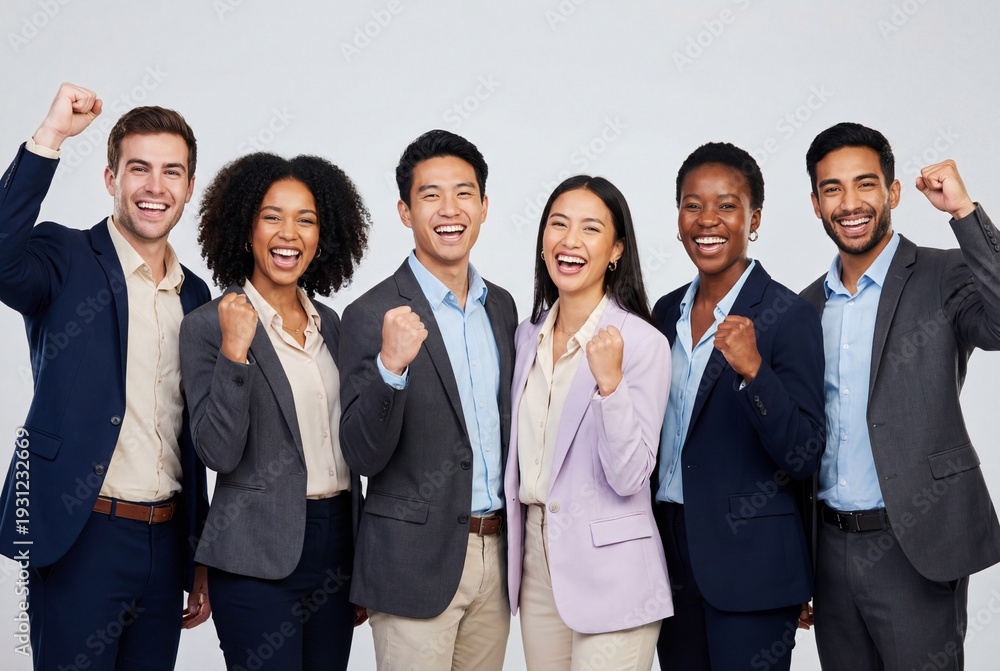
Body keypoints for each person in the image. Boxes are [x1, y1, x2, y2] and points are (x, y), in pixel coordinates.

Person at [0, 83, 212, 671]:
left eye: (172, 172)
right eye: (138, 168)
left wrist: (199, 553)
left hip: (166, 544)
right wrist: (50, 136)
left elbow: (190, 435)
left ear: (189, 187)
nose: (155, 186)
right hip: (80, 535)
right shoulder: (63, 258)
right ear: (110, 178)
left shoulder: (196, 296)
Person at [800, 122, 1000, 671]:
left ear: (892, 192)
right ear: (816, 205)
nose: (850, 203)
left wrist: (964, 213)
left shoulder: (944, 273)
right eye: (832, 189)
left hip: (916, 544)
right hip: (829, 553)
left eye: (865, 184)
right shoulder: (804, 307)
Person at [179, 152, 371, 670]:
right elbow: (218, 452)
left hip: (337, 546)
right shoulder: (208, 325)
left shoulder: (333, 324)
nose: (289, 233)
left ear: (322, 236)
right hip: (254, 557)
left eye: (306, 219)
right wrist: (234, 352)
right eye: (272, 217)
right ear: (246, 229)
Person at [338, 129, 517, 671]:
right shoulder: (370, 314)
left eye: (464, 193)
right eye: (430, 195)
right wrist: (390, 368)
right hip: (412, 564)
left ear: (483, 207)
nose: (449, 210)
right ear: (404, 211)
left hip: (497, 556)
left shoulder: (502, 308)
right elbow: (361, 456)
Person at [652, 142, 825, 671]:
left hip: (751, 565)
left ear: (754, 219)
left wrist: (754, 372)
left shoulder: (788, 315)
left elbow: (804, 454)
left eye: (727, 205)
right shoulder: (665, 313)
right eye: (693, 205)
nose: (707, 220)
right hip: (667, 560)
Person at [504, 175, 672, 670]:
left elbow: (630, 475)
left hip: (615, 572)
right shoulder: (526, 337)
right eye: (558, 224)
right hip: (537, 568)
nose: (570, 240)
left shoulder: (641, 342)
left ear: (616, 250)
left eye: (591, 228)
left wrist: (610, 385)